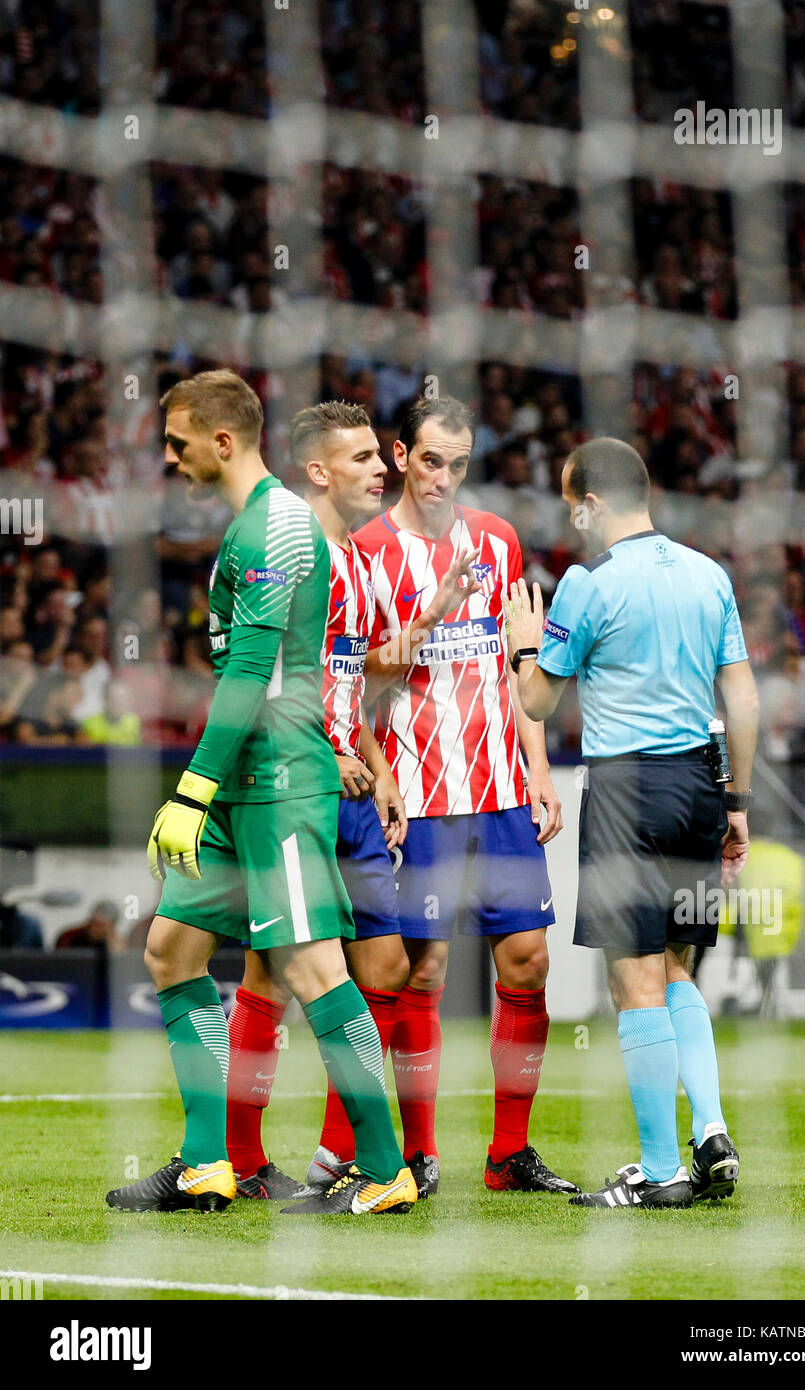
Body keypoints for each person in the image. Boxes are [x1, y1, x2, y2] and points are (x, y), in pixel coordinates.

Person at [105, 368, 417, 1217]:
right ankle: (206, 1161)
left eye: (175, 442)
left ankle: (385, 1166)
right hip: (242, 782)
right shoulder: (254, 524)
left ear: (221, 439)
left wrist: (192, 788)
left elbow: (250, 672)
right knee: (172, 951)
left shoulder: (277, 525)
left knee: (314, 969)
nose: (168, 458)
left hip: (277, 779)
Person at [506, 436, 758, 1209]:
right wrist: (737, 802)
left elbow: (538, 702)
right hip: (700, 783)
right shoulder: (707, 573)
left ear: (590, 502)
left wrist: (523, 643)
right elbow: (742, 699)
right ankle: (710, 1130)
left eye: (568, 498)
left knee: (633, 980)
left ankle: (659, 1171)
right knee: (677, 966)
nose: (568, 514)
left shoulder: (587, 583)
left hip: (627, 790)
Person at [355, 394, 576, 1194]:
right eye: (432, 460)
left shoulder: (498, 539)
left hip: (503, 793)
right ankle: (418, 1152)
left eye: (459, 462)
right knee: (422, 972)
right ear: (401, 455)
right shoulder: (369, 550)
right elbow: (364, 676)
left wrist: (541, 767)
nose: (445, 477)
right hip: (420, 791)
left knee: (528, 960)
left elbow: (518, 664)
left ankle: (507, 1155)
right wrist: (433, 609)